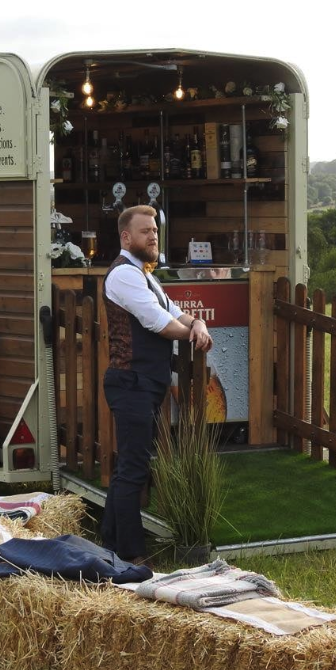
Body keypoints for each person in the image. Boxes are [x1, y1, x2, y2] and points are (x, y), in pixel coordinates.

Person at [102, 205, 214, 565]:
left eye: (154, 230)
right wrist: (192, 333)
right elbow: (159, 323)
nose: (153, 236)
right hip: (130, 382)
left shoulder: (145, 275)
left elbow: (175, 311)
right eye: (145, 231)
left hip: (143, 383)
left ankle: (110, 546)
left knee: (129, 466)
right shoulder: (124, 275)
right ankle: (132, 555)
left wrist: (198, 323)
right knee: (134, 468)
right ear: (126, 238)